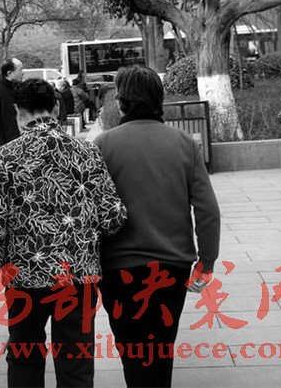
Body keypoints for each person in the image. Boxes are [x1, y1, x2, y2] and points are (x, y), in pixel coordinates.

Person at [0, 78, 127, 388]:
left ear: (18, 111)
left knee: (24, 356)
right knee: (76, 363)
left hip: (24, 278)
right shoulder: (86, 152)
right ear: (56, 108)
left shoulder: (7, 156)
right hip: (77, 277)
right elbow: (113, 216)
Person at [93, 66, 220, 388]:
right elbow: (207, 209)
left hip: (118, 267)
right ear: (159, 100)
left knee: (131, 348)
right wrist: (206, 262)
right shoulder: (184, 143)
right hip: (171, 265)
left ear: (122, 102)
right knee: (162, 346)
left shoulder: (103, 145)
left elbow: (90, 210)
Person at [0, 58, 23, 150]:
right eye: (20, 70)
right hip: (6, 142)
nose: (22, 73)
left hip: (22, 140)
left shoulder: (20, 89)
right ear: (9, 73)